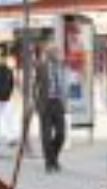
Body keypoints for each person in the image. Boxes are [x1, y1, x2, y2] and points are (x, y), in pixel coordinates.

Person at [35, 44, 67, 172]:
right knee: (46, 136)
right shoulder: (41, 66)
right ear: (49, 54)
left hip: (58, 103)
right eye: (56, 52)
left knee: (61, 134)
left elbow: (64, 85)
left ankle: (53, 157)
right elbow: (35, 86)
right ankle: (50, 162)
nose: (58, 54)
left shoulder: (61, 67)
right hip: (45, 103)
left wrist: (65, 102)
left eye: (58, 52)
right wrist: (36, 103)